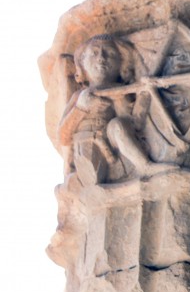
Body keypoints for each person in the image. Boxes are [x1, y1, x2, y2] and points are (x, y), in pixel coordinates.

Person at [58, 34, 168, 186]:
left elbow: (134, 124)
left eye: (109, 54)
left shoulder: (119, 91)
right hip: (85, 151)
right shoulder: (78, 96)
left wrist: (142, 95)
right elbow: (63, 137)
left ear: (122, 62)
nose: (101, 59)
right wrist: (80, 108)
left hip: (113, 152)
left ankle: (144, 165)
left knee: (117, 125)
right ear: (82, 62)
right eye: (94, 53)